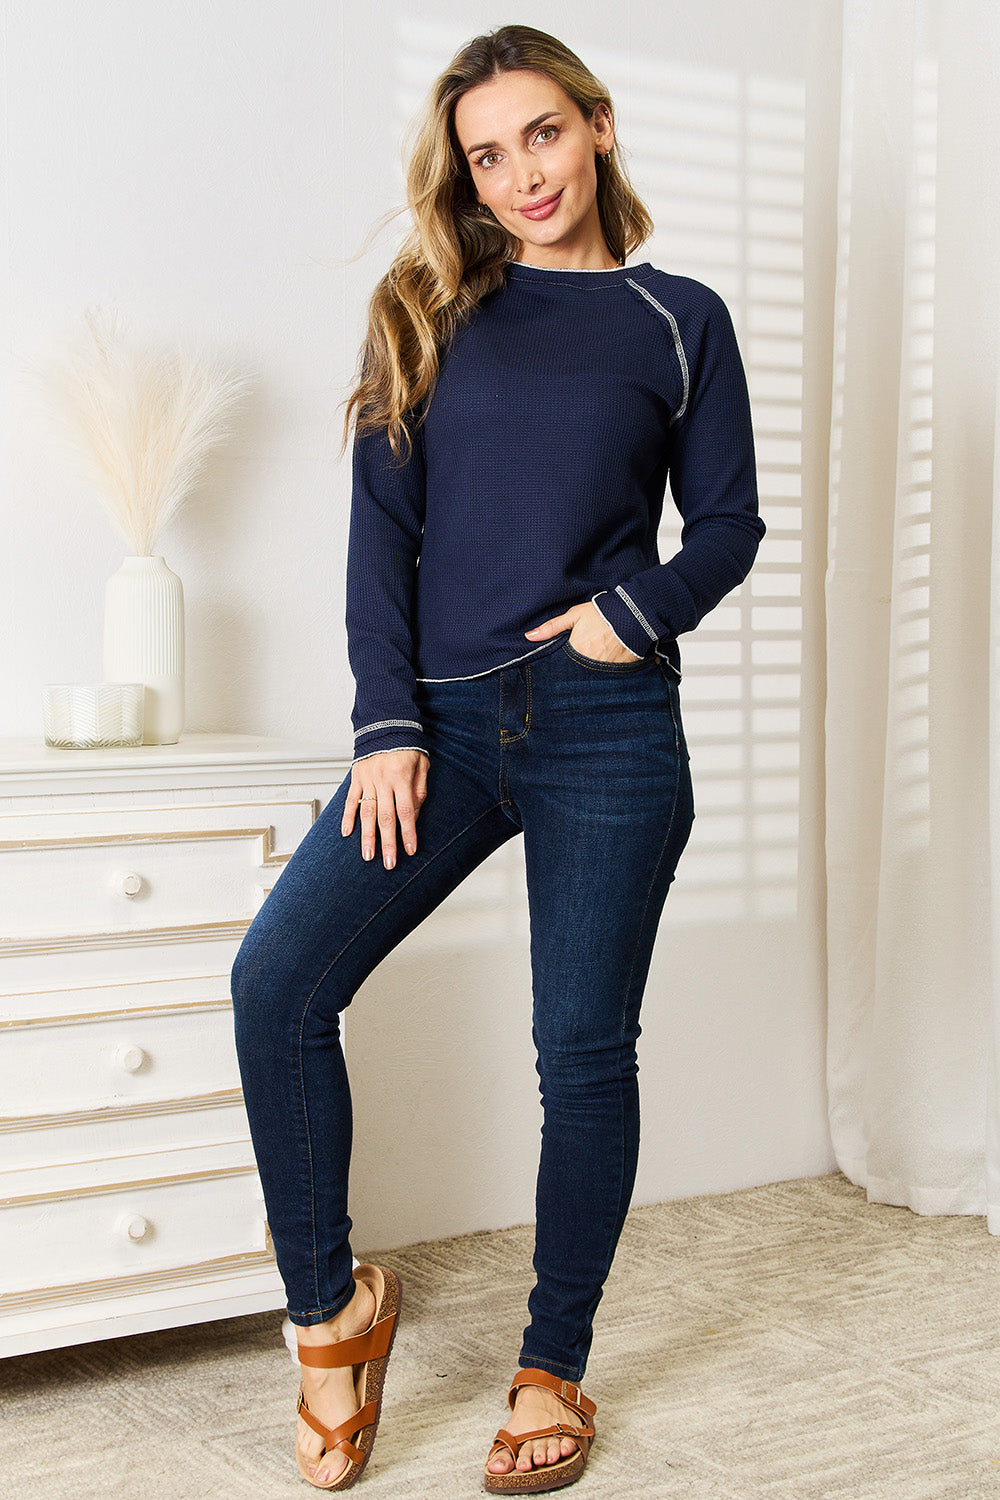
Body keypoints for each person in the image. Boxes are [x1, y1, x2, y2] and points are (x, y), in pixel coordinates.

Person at [230, 21, 763, 1495]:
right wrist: (387, 723)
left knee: (581, 1057)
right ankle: (336, 1320)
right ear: (462, 174)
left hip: (606, 727)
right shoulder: (428, 305)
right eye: (487, 152)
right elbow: (379, 534)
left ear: (594, 125)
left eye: (542, 133)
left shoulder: (680, 318)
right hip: (447, 727)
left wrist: (622, 619)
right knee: (278, 983)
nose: (522, 172)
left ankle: (552, 1372)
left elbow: (725, 522)